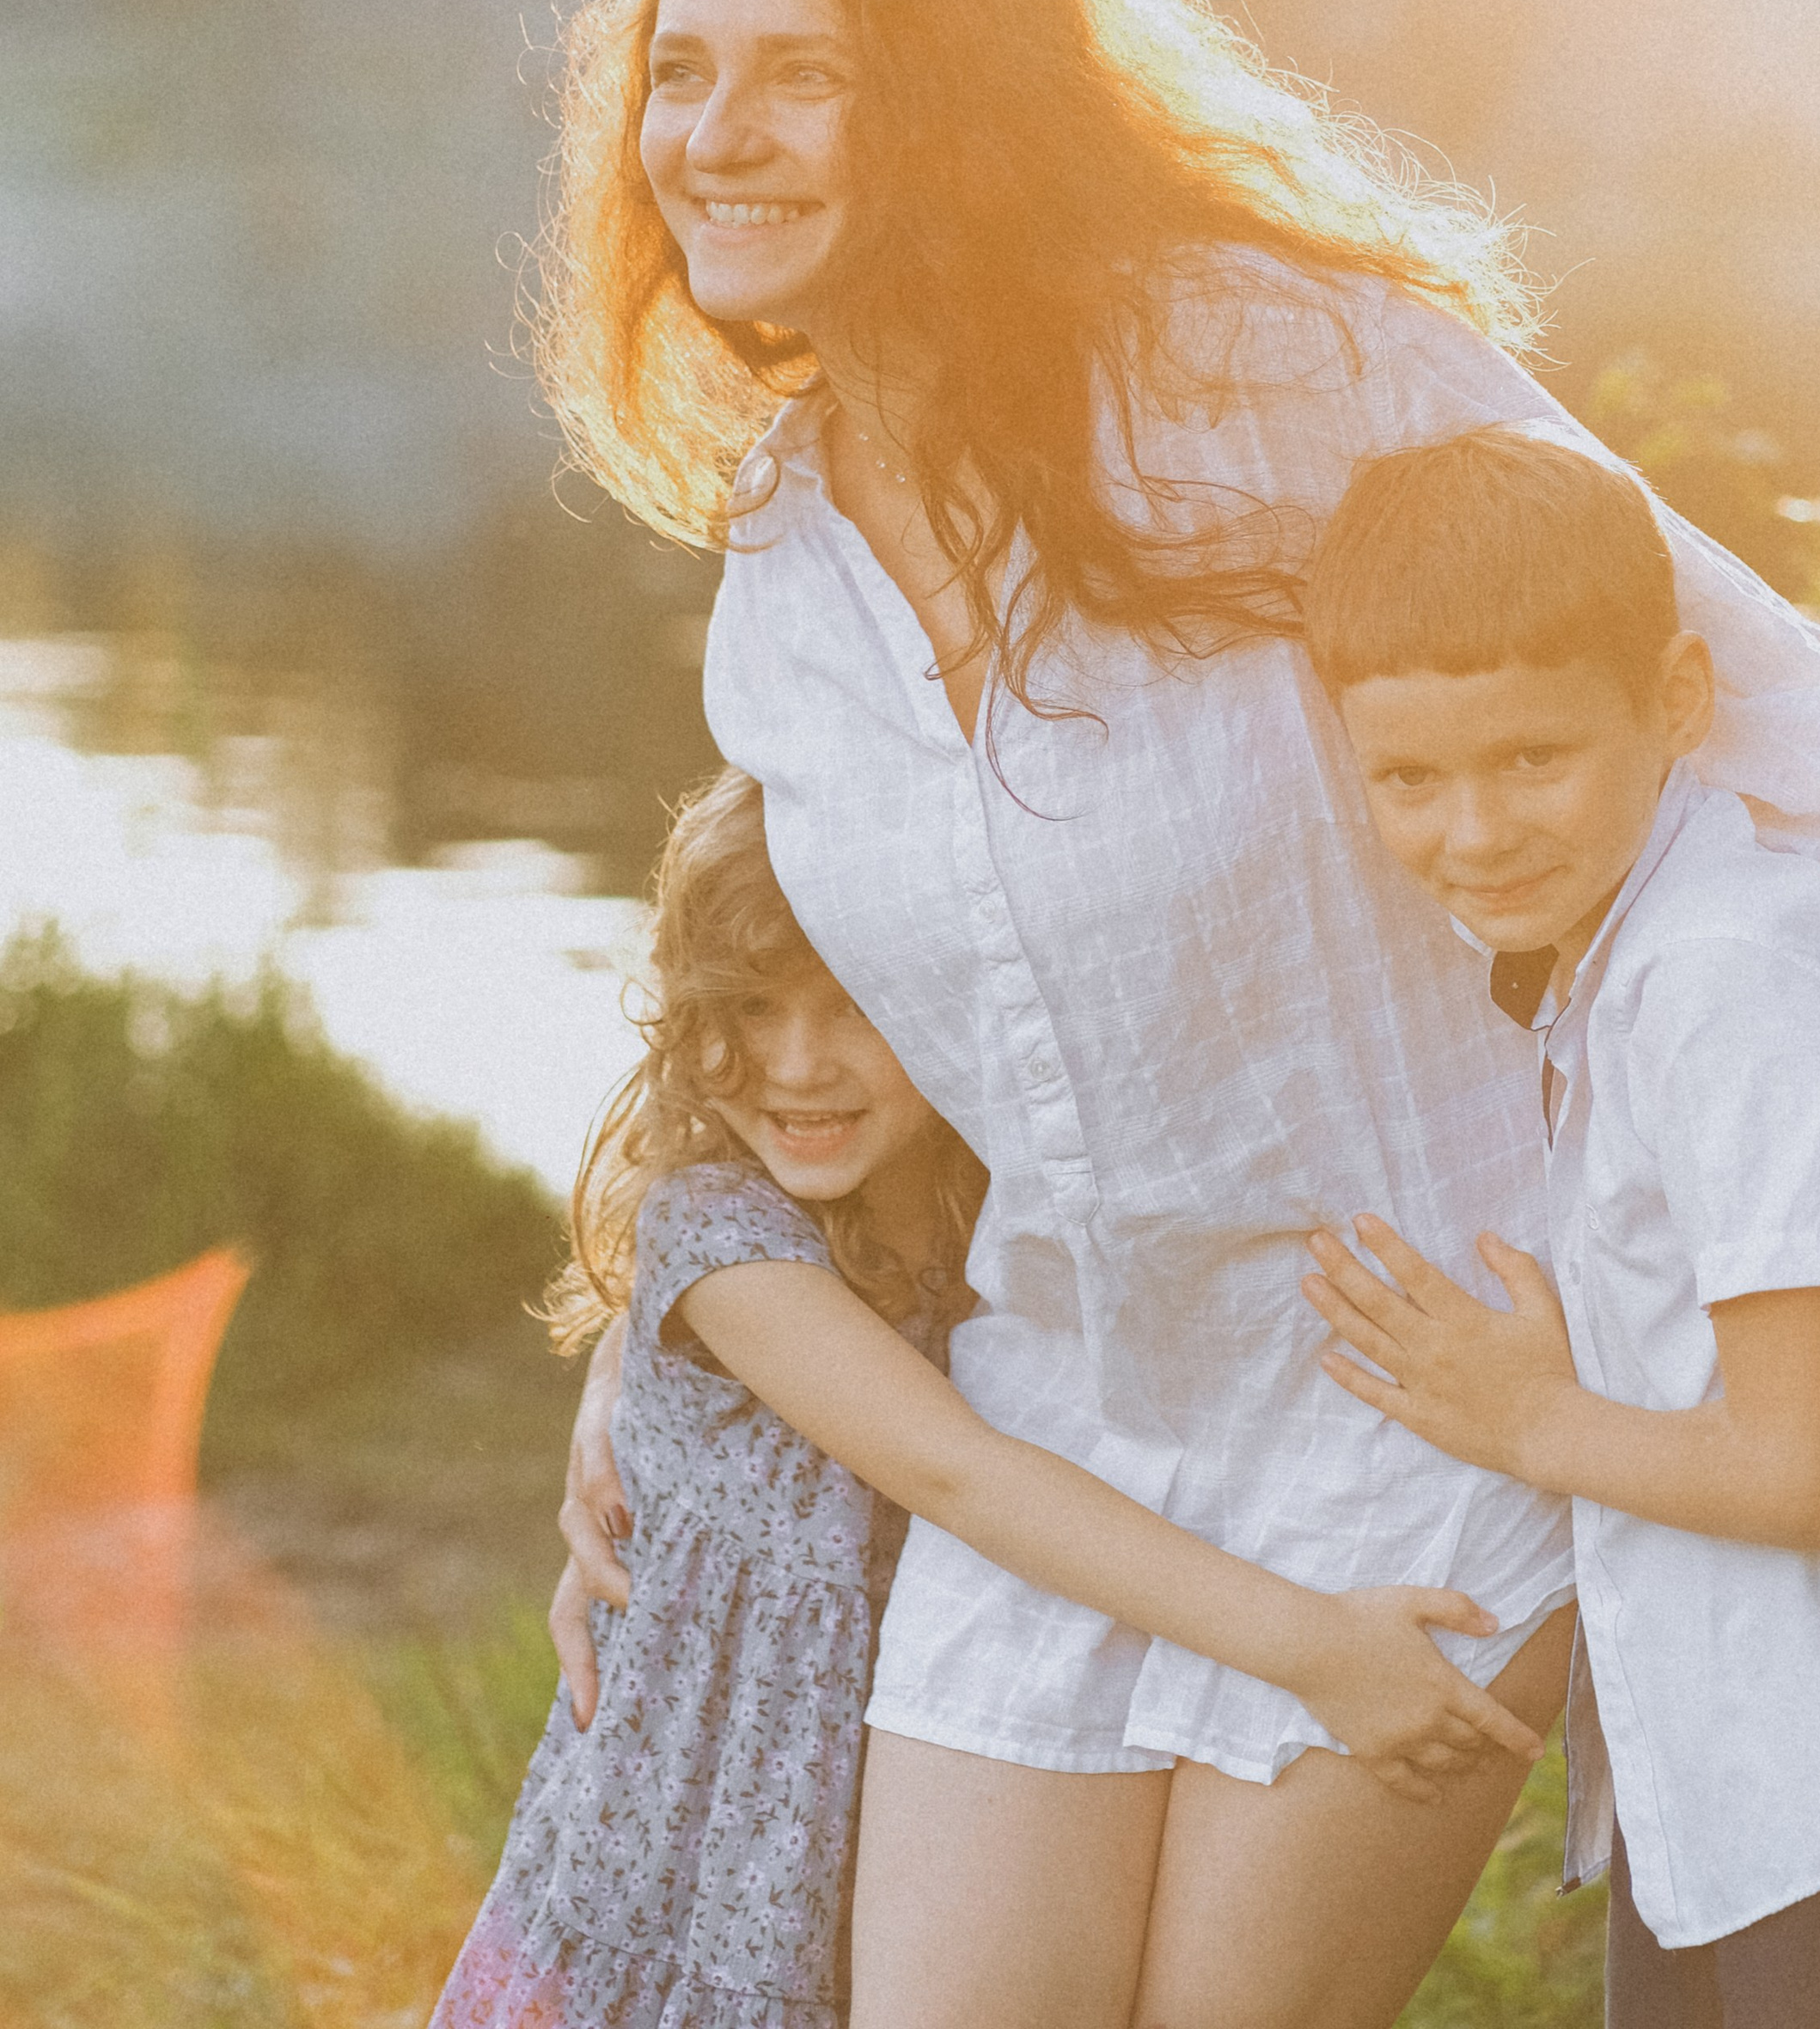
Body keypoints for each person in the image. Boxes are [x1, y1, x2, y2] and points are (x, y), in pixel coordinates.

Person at [538, 0, 1820, 2029]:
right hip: (1068, 1407)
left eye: (800, 72)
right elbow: (811, 997)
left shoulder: (1269, 360)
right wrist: (652, 1359)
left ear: (945, 99)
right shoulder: (778, 563)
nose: (713, 132)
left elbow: (1737, 672)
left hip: (1432, 1384)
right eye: (681, 68)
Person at [1300, 425, 1820, 2028]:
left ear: (1679, 707)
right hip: (1763, 1770)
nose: (1473, 835)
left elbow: (1806, 1472)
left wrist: (1527, 1414)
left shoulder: (1716, 977)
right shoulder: (1634, 940)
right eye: (1411, 778)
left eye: (1531, 759)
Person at [437, 769, 1530, 2029]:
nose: (797, 1065)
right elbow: (964, 1474)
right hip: (701, 1850)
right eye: (745, 1009)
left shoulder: (993, 1207)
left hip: (888, 1815)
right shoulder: (721, 1236)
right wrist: (1317, 1647)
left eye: (853, 1007)